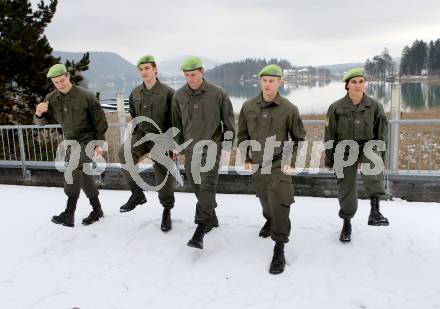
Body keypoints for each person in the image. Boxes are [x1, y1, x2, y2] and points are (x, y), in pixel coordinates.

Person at [237, 64, 306, 274]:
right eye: (265, 80)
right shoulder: (248, 107)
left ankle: (279, 247)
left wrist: (291, 160)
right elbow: (242, 136)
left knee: (280, 203)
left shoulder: (289, 109)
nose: (268, 84)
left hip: (279, 164)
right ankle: (270, 220)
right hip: (258, 164)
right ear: (261, 81)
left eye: (272, 81)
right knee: (265, 200)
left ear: (280, 83)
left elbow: (298, 138)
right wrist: (246, 157)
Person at [172, 56, 235, 249]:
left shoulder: (218, 94)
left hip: (212, 148)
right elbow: (176, 125)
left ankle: (199, 230)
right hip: (190, 150)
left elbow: (229, 123)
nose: (190, 78)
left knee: (207, 186)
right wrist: (176, 145)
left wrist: (227, 147)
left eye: (193, 74)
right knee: (196, 185)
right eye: (187, 75)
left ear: (202, 73)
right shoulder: (179, 96)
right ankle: (212, 216)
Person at [34, 64, 108, 227]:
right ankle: (97, 209)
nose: (60, 84)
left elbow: (100, 120)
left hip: (88, 140)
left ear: (68, 76)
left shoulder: (86, 96)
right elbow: (41, 123)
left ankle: (69, 212)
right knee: (82, 175)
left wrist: (99, 143)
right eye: (56, 82)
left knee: (73, 168)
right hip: (71, 142)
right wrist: (39, 113)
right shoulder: (51, 98)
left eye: (62, 80)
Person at [324, 67, 389, 243]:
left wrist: (381, 157)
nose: (358, 85)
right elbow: (329, 134)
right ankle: (346, 222)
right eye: (354, 82)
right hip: (344, 149)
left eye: (361, 81)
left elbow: (381, 134)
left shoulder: (375, 106)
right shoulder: (336, 108)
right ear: (347, 85)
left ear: (365, 84)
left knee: (372, 170)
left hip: (368, 145)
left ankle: (375, 211)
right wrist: (329, 158)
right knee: (346, 188)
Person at [118, 54, 176, 232]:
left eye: (147, 68)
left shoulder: (168, 92)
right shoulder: (135, 92)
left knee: (163, 176)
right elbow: (135, 116)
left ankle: (166, 210)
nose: (144, 72)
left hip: (162, 137)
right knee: (124, 152)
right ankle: (137, 194)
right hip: (142, 133)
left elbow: (176, 120)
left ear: (155, 69)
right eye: (141, 69)